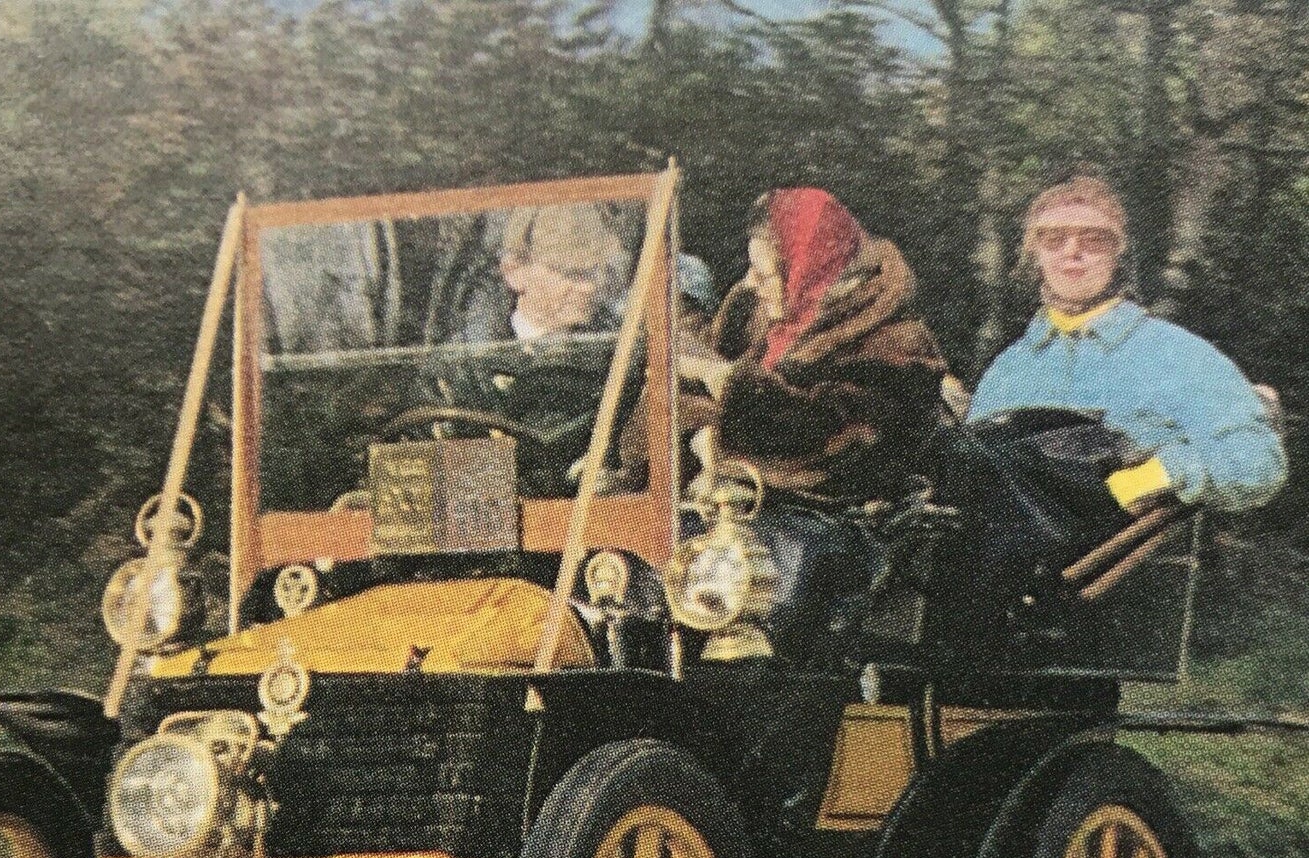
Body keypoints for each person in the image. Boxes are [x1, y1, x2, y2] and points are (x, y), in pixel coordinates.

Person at [969, 172, 1287, 514]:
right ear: (1035, 255)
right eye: (1054, 239)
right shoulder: (1008, 369)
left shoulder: (1175, 354)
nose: (1072, 252)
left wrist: (1138, 483)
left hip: (1125, 559)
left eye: (1093, 240)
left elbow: (1257, 461)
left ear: (1118, 253)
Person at [679, 187, 947, 499]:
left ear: (807, 277)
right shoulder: (775, 324)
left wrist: (722, 385)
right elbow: (706, 367)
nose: (750, 284)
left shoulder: (896, 347)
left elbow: (829, 443)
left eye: (763, 275)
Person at [424, 203, 629, 494]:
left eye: (594, 272)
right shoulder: (457, 367)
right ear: (514, 271)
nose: (588, 288)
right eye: (570, 273)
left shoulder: (622, 353)